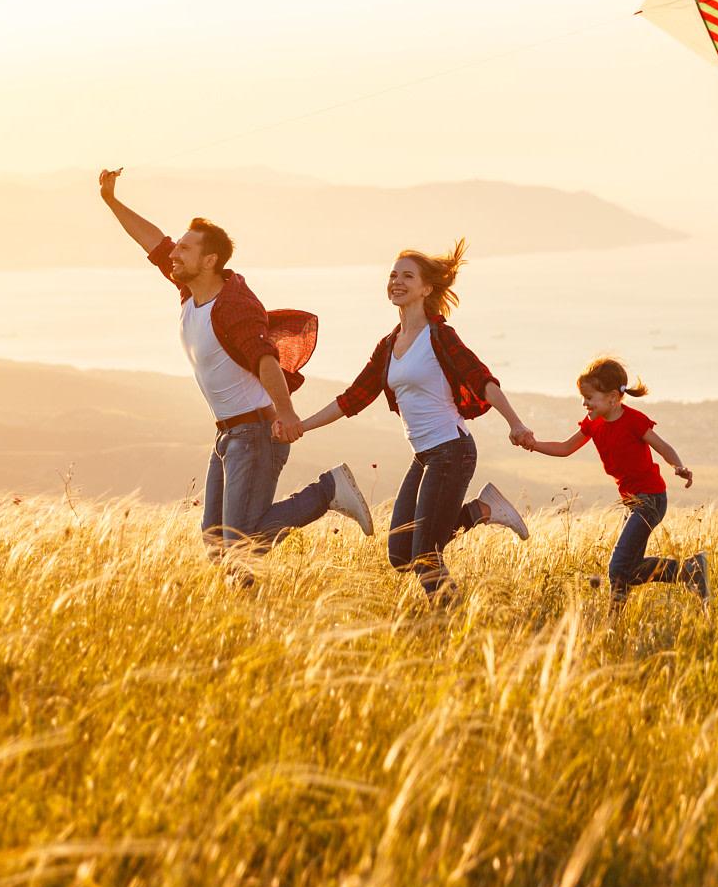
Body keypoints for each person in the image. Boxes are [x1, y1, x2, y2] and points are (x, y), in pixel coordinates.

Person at [97, 168, 373, 562]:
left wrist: (287, 411)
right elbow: (154, 241)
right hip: (228, 436)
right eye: (177, 248)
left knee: (239, 545)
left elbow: (265, 361)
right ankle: (248, 612)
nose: (174, 253)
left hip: (255, 435)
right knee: (217, 544)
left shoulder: (233, 306)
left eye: (185, 249)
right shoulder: (190, 290)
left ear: (210, 260)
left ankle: (327, 491)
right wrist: (111, 200)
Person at [299, 240, 532, 602]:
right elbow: (353, 398)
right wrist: (302, 425)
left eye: (408, 276)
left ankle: (450, 625)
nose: (397, 281)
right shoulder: (389, 345)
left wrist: (515, 424)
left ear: (426, 288)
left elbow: (482, 381)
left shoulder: (440, 337)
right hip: (424, 457)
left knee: (426, 557)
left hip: (452, 451)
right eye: (393, 275)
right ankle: (482, 510)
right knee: (399, 554)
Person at [524, 357, 708, 604]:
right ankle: (690, 571)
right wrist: (534, 445)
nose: (584, 403)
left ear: (612, 397)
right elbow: (566, 447)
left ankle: (614, 624)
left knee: (618, 566)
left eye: (589, 397)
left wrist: (679, 467)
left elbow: (662, 446)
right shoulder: (594, 424)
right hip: (632, 502)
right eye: (583, 397)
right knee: (630, 570)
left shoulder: (634, 421)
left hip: (650, 499)